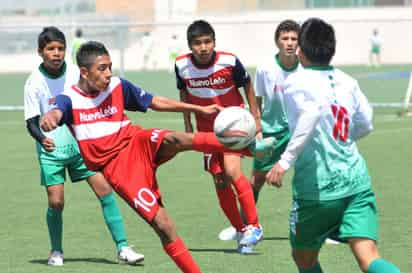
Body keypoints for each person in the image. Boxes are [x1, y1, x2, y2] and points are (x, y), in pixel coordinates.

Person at [40, 41, 270, 272]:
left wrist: (199, 109)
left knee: (176, 139)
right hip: (119, 170)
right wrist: (51, 116)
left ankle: (250, 147)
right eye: (102, 69)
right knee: (164, 226)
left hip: (135, 141)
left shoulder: (118, 86)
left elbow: (155, 101)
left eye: (110, 66)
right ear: (84, 72)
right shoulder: (69, 98)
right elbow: (57, 110)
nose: (109, 73)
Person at [266, 18, 401, 273]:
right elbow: (366, 123)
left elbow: (311, 113)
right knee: (369, 257)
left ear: (300, 52)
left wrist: (284, 161)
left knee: (304, 258)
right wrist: (341, 140)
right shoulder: (348, 81)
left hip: (318, 190)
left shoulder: (295, 82)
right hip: (356, 183)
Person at [24, 27, 143, 266]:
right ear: (40, 52)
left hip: (81, 148)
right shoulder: (33, 83)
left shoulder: (76, 75)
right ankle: (56, 251)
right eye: (51, 49)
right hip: (52, 152)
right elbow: (30, 121)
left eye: (60, 48)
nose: (56, 53)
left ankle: (123, 247)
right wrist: (41, 138)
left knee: (105, 191)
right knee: (56, 202)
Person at [175, 19, 264, 254]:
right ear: (189, 45)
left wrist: (255, 120)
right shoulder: (181, 65)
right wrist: (187, 124)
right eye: (197, 43)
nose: (203, 48)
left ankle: (254, 225)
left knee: (233, 171)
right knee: (220, 180)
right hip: (206, 132)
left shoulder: (229, 61)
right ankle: (241, 230)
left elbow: (248, 84)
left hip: (233, 128)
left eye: (207, 42)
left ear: (214, 42)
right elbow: (183, 94)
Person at [218, 19, 301, 241]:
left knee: (316, 177)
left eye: (294, 38)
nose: (290, 43)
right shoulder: (266, 68)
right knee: (256, 180)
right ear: (277, 41)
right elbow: (259, 101)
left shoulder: (306, 67)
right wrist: (258, 129)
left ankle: (330, 230)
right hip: (272, 131)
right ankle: (243, 226)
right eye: (285, 38)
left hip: (301, 131)